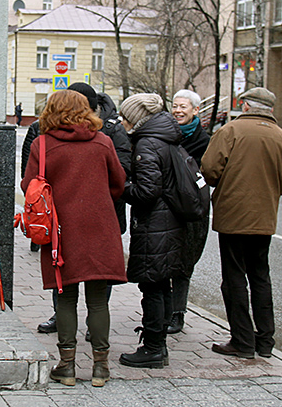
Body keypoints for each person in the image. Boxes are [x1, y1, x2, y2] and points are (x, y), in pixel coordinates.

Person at [21, 89, 127, 387]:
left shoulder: (42, 145)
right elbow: (118, 184)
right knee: (97, 300)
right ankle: (101, 368)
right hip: (100, 229)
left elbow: (29, 185)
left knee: (65, 298)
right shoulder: (103, 142)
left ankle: (66, 367)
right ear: (87, 111)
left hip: (60, 232)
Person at [200, 87, 282, 359]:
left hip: (233, 216)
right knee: (260, 276)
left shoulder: (230, 132)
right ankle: (265, 340)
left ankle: (242, 340)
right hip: (265, 218)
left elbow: (209, 170)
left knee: (234, 279)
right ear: (270, 110)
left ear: (245, 106)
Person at [117, 93, 184, 369]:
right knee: (161, 283)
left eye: (125, 116)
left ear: (136, 118)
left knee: (152, 285)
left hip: (155, 224)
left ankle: (153, 348)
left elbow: (147, 191)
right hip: (169, 221)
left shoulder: (147, 143)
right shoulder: (167, 138)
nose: (122, 121)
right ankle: (159, 344)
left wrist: (120, 188)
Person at [167, 89, 211, 334]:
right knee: (165, 258)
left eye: (183, 107)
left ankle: (178, 313)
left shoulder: (203, 141)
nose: (178, 111)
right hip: (168, 206)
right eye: (175, 106)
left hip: (193, 209)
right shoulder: (166, 135)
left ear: (195, 110)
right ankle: (163, 310)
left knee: (185, 262)